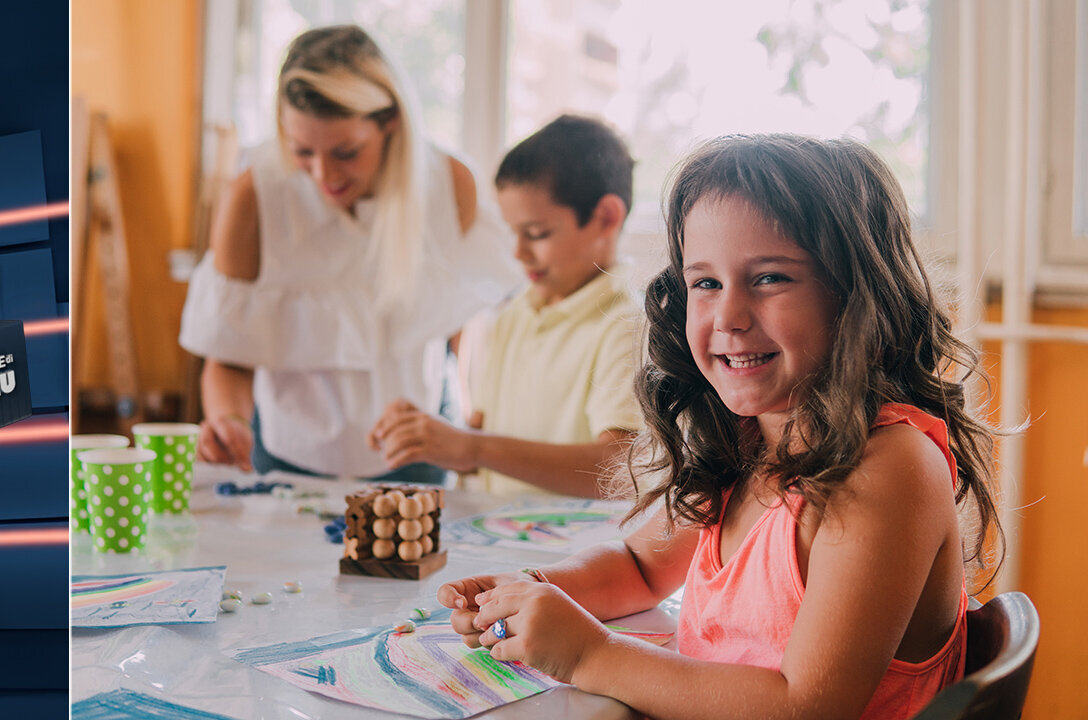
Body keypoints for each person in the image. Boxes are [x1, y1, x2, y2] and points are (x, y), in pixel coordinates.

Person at [437, 134, 1004, 719]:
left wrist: (589, 654)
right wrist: (533, 589)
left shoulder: (890, 468)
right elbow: (639, 566)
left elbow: (806, 707)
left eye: (769, 279)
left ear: (857, 294)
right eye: (705, 283)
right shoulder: (749, 439)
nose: (728, 317)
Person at [179, 25, 517, 483]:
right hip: (289, 456)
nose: (324, 173)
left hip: (418, 453)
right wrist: (228, 421)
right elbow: (229, 354)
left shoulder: (449, 185)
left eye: (346, 152)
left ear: (391, 121)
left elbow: (452, 321)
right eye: (303, 151)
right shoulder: (253, 198)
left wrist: (470, 409)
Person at [367, 115, 642, 498]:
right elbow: (482, 444)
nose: (518, 252)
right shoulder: (514, 315)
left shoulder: (626, 326)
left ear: (606, 217)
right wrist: (437, 439)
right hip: (504, 544)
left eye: (536, 233)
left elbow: (617, 468)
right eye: (512, 232)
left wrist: (473, 447)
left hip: (576, 553)